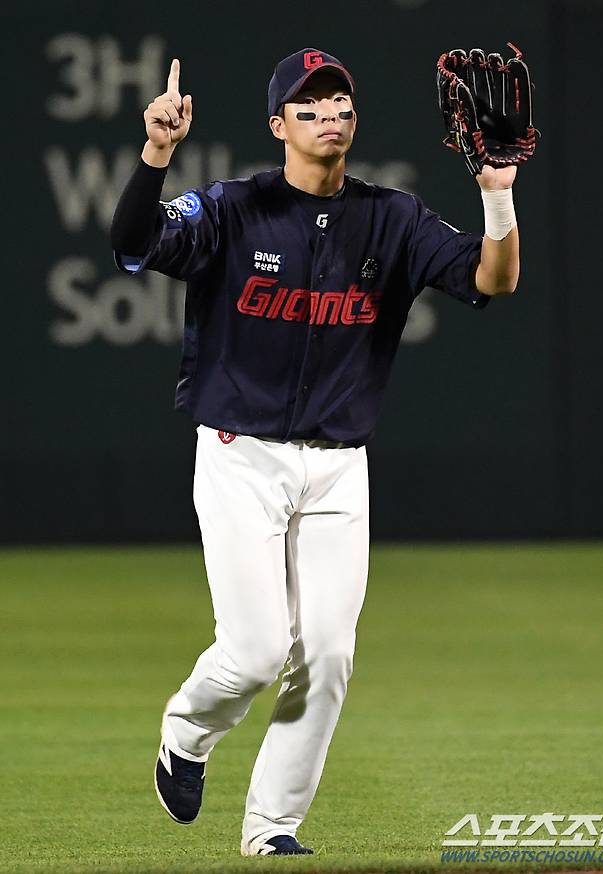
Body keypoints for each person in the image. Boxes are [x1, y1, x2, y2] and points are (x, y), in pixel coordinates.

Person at [110, 47, 520, 857]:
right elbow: (134, 245)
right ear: (279, 126)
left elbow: (493, 281)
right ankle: (187, 735)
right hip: (242, 452)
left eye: (339, 102)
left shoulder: (393, 218)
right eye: (309, 105)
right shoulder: (234, 209)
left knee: (329, 655)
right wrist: (156, 155)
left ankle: (273, 828)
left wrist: (496, 198)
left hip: (338, 465)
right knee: (258, 649)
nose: (329, 114)